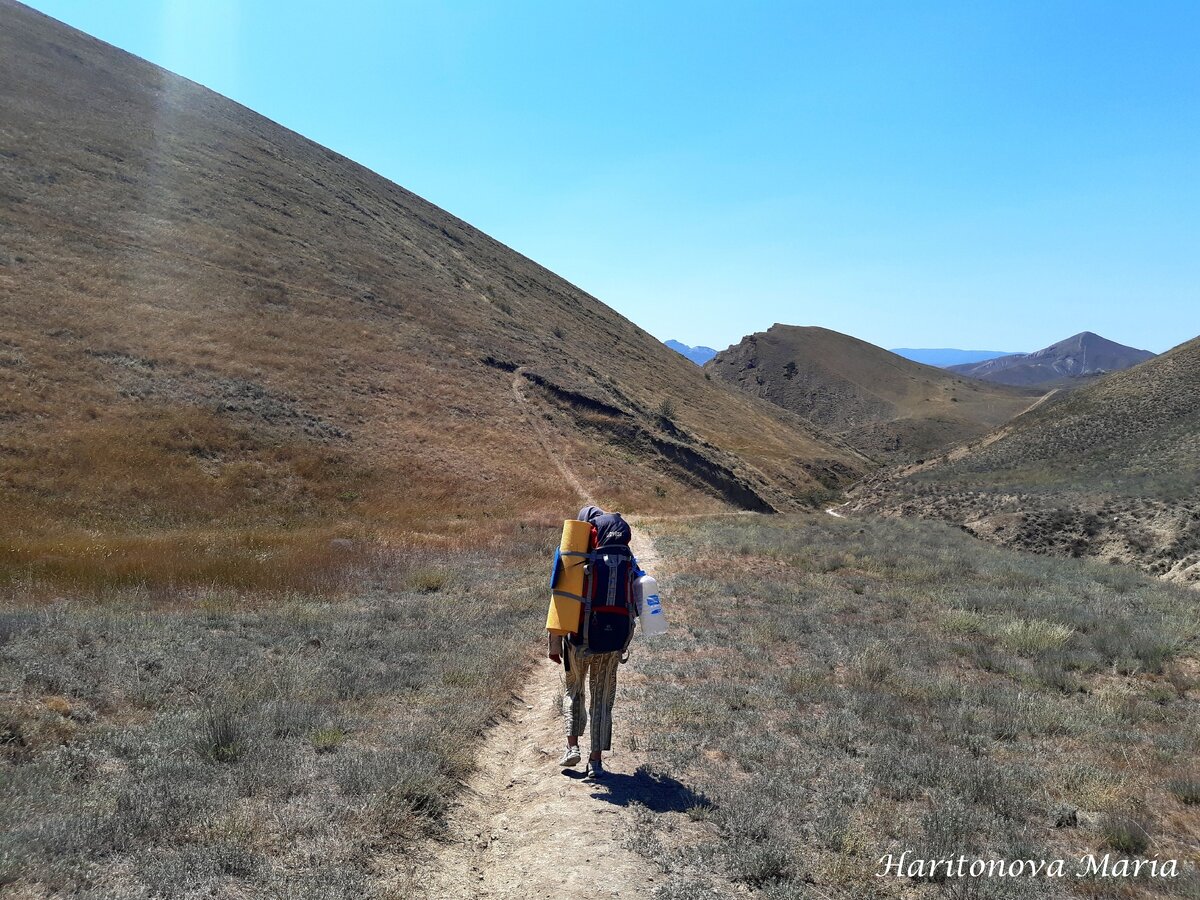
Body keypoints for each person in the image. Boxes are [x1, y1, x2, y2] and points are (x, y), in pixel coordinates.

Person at [548, 504, 641, 780]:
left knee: (574, 690)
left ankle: (572, 747)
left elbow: (558, 595)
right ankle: (596, 762)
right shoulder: (626, 557)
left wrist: (554, 643)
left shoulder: (572, 552)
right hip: (612, 642)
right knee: (602, 701)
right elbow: (638, 594)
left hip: (579, 639)